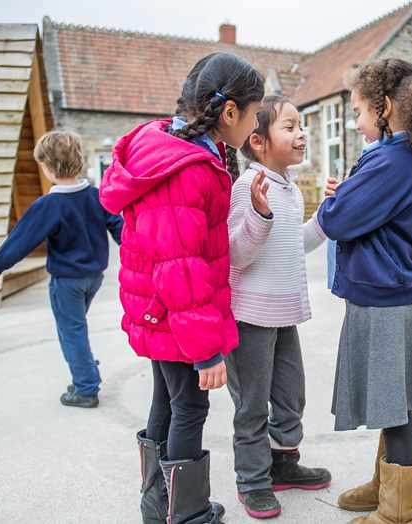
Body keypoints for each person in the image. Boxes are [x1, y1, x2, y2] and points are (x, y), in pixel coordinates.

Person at [99, 52, 265, 524]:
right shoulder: (188, 170)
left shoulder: (171, 147)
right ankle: (186, 512)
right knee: (190, 405)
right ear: (229, 111)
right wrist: (206, 351)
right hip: (175, 312)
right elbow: (182, 267)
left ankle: (159, 505)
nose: (255, 125)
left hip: (159, 309)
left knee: (167, 401)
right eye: (254, 114)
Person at [314, 58, 412, 524]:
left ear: (383, 107)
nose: (356, 122)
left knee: (396, 409)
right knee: (392, 403)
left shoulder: (389, 160)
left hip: (384, 300)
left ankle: (399, 513)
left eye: (359, 111)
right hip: (388, 295)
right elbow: (363, 209)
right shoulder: (401, 154)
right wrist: (349, 192)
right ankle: (386, 485)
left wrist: (338, 199)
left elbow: (338, 219)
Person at [225, 96, 331, 519]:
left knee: (290, 395)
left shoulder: (289, 189)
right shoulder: (247, 186)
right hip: (250, 317)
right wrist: (257, 214)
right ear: (258, 141)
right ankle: (252, 481)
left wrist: (326, 217)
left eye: (301, 126)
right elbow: (238, 254)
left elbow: (294, 243)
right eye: (289, 127)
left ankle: (283, 464)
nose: (301, 134)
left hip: (284, 314)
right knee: (252, 405)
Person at [0, 131, 124, 409]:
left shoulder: (49, 204)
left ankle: (86, 386)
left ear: (46, 167)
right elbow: (120, 229)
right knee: (75, 326)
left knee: (71, 331)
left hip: (67, 281)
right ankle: (83, 374)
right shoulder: (96, 195)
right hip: (94, 277)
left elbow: (20, 241)